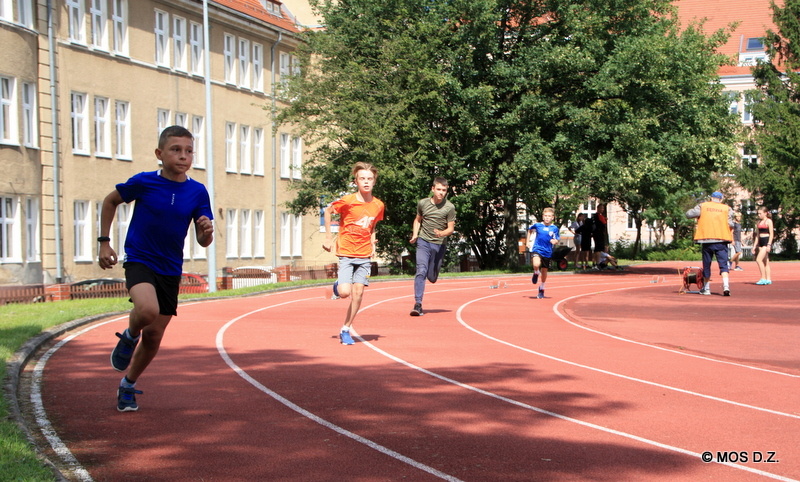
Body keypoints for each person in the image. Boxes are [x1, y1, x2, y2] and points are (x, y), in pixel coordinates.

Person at [99, 125, 214, 412]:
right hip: (140, 258)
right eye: (176, 150)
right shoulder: (144, 183)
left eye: (188, 151)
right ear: (159, 154)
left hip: (170, 268)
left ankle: (127, 384)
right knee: (146, 311)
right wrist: (104, 242)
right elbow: (110, 201)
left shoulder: (197, 192)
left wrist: (207, 231)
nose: (183, 156)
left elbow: (203, 242)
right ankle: (129, 335)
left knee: (154, 335)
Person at [323, 162, 385, 345]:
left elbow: (372, 224)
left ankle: (345, 329)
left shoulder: (378, 205)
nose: (366, 182)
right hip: (347, 252)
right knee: (344, 293)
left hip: (364, 255)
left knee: (358, 293)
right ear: (356, 181)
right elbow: (327, 211)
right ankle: (337, 286)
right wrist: (328, 237)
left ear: (374, 181)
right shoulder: (348, 201)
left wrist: (373, 241)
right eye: (362, 178)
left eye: (370, 179)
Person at [409, 177, 456, 316]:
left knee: (432, 277)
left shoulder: (449, 207)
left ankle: (433, 272)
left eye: (444, 190)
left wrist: (442, 233)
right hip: (423, 241)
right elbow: (417, 220)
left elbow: (451, 229)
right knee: (421, 270)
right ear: (433, 189)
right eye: (439, 189)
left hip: (439, 244)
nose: (441, 193)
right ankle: (418, 304)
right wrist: (415, 234)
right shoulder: (423, 203)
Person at [685, 191, 733, 296]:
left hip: (706, 239)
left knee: (707, 265)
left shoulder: (703, 206)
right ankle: (726, 286)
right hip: (722, 239)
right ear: (721, 199)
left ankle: (706, 288)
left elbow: (689, 214)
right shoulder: (726, 208)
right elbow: (731, 223)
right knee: (723, 265)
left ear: (711, 198)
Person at [526, 207, 560, 299]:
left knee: (544, 271)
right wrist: (528, 242)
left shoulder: (554, 228)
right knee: (536, 264)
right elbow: (529, 230)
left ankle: (542, 288)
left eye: (549, 216)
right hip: (537, 248)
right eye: (545, 216)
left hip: (547, 251)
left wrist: (555, 241)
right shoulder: (538, 225)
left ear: (552, 217)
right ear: (542, 216)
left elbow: (557, 239)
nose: (547, 218)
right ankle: (536, 272)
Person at [753, 206, 774, 285]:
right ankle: (768, 279)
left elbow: (771, 234)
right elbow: (757, 236)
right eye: (758, 213)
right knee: (765, 262)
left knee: (758, 259)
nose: (759, 215)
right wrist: (755, 246)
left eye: (760, 213)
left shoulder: (769, 221)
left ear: (765, 213)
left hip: (766, 242)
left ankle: (763, 278)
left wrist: (769, 245)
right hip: (760, 243)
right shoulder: (758, 223)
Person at [592, 203, 608, 268]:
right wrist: (605, 220)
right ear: (598, 208)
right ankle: (598, 263)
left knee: (597, 249)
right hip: (599, 234)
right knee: (598, 249)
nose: (602, 209)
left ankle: (596, 262)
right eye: (601, 208)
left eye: (603, 208)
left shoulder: (596, 216)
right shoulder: (598, 216)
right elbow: (603, 222)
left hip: (597, 234)